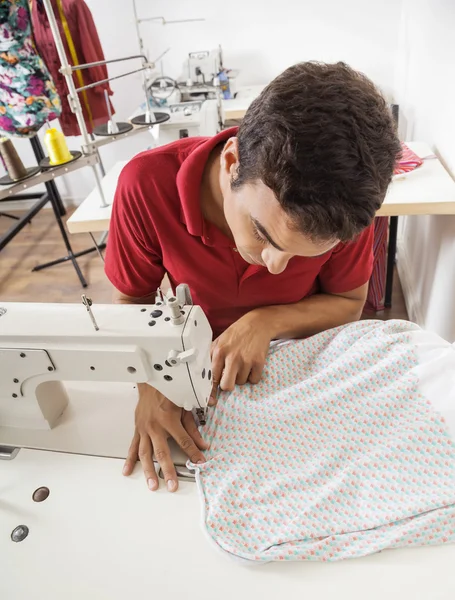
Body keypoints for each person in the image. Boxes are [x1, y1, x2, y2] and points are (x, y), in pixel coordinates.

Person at [104, 61, 401, 493]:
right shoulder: (145, 185)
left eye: (301, 255)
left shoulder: (345, 208)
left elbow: (347, 304)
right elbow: (132, 302)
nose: (275, 265)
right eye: (263, 234)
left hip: (295, 372)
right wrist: (149, 382)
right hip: (197, 367)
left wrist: (266, 321)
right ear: (231, 164)